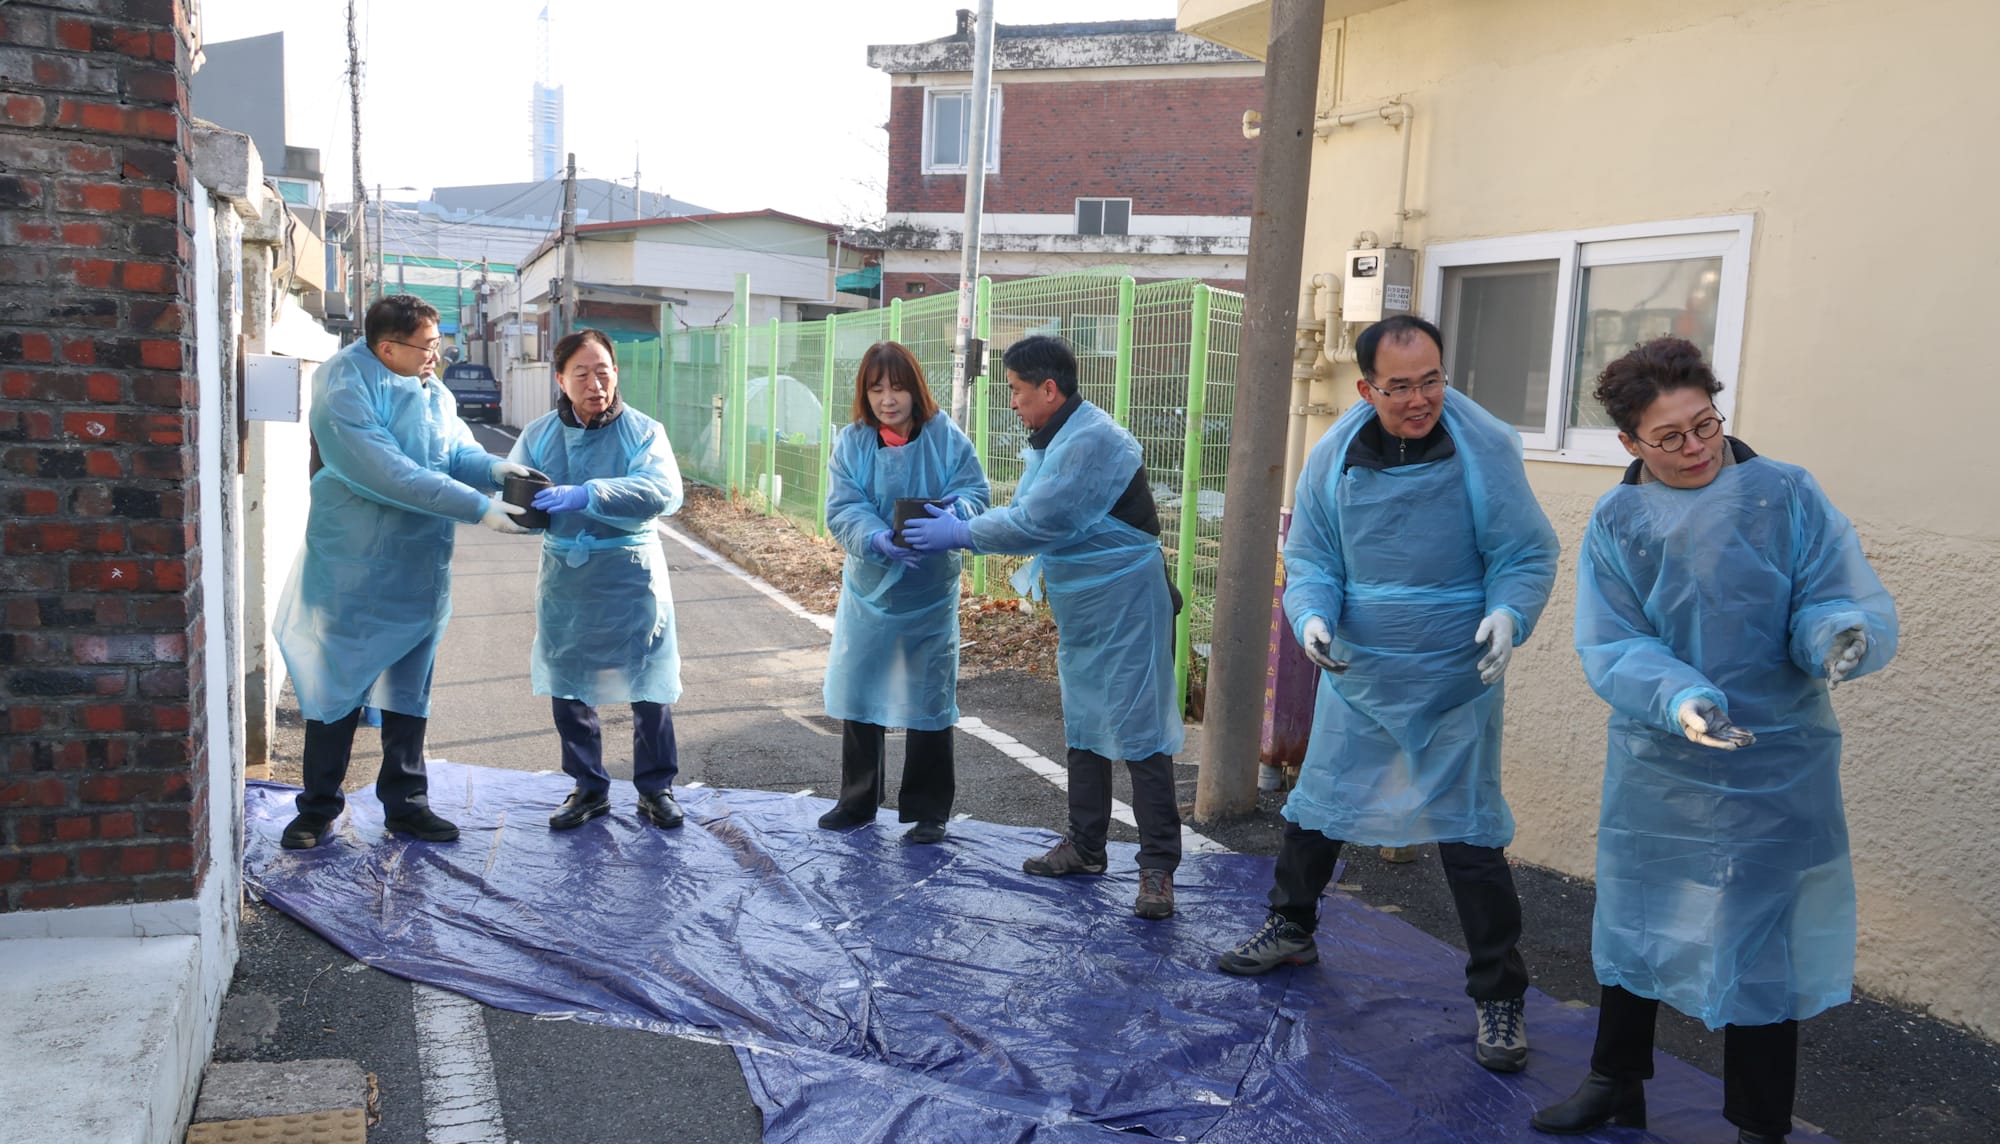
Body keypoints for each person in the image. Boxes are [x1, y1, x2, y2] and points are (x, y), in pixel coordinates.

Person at [1532, 337, 1897, 1143]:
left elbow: (1830, 590)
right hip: (1661, 757)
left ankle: (1760, 1125)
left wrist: (1838, 632)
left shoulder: (1783, 495)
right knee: (1637, 916)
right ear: (1629, 444)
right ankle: (1616, 1081)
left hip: (1777, 754)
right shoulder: (1620, 520)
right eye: (1670, 438)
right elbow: (1614, 642)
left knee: (1764, 937)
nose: (1697, 448)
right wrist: (1682, 697)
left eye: (1705, 425)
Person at [1214, 315, 1560, 1075]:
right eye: (1399, 386)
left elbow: (1524, 552)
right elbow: (1311, 557)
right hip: (1361, 665)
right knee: (1319, 806)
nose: (1419, 399)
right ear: (1367, 388)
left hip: (1455, 668)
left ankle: (1499, 994)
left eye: (1431, 380)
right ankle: (1290, 927)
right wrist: (1309, 619)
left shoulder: (1487, 448)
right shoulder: (1332, 458)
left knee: (1470, 836)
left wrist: (1509, 613)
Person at [904, 335, 1184, 920]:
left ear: (1049, 390)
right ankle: (1085, 847)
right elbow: (1029, 510)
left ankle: (1158, 868)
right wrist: (967, 517)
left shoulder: (1091, 440)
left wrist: (960, 533)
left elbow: (1039, 520)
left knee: (1141, 731)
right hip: (1086, 605)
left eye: (1016, 390)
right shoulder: (1057, 436)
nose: (1012, 402)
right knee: (1083, 720)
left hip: (1129, 602)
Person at [274, 294, 533, 850]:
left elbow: (453, 453)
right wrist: (479, 508)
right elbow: (387, 472)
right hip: (353, 568)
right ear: (388, 347)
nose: (436, 357)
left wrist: (495, 469)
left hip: (417, 568)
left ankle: (407, 804)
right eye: (428, 346)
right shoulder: (345, 388)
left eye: (439, 345)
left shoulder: (430, 389)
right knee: (335, 688)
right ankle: (317, 809)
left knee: (408, 691)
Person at [510, 329, 690, 833]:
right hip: (567, 578)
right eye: (582, 374)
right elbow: (515, 491)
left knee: (648, 680)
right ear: (561, 379)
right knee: (568, 680)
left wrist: (587, 494)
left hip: (630, 575)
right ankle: (588, 786)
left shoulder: (642, 430)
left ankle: (656, 788)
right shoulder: (541, 434)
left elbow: (659, 491)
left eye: (604, 372)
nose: (596, 384)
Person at [817, 342, 990, 843]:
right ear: (864, 394)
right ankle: (857, 801)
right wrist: (875, 539)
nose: (887, 399)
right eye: (876, 389)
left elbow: (976, 493)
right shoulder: (851, 442)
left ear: (915, 388)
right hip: (870, 589)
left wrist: (954, 515)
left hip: (930, 592)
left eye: (896, 387)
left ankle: (928, 810)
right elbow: (844, 506)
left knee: (930, 696)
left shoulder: (945, 437)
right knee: (859, 690)